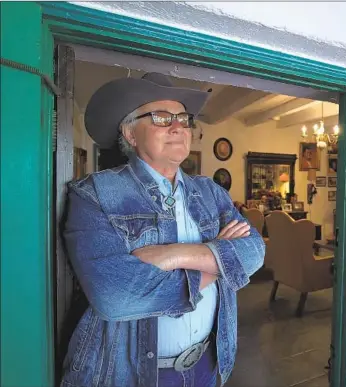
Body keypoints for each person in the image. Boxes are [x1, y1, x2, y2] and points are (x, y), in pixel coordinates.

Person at [60, 72, 265, 387]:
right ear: (130, 133)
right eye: (161, 118)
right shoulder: (95, 194)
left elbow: (254, 250)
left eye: (183, 119)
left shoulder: (210, 191)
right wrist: (221, 264)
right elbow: (115, 297)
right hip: (132, 376)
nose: (178, 127)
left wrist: (172, 255)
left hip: (209, 364)